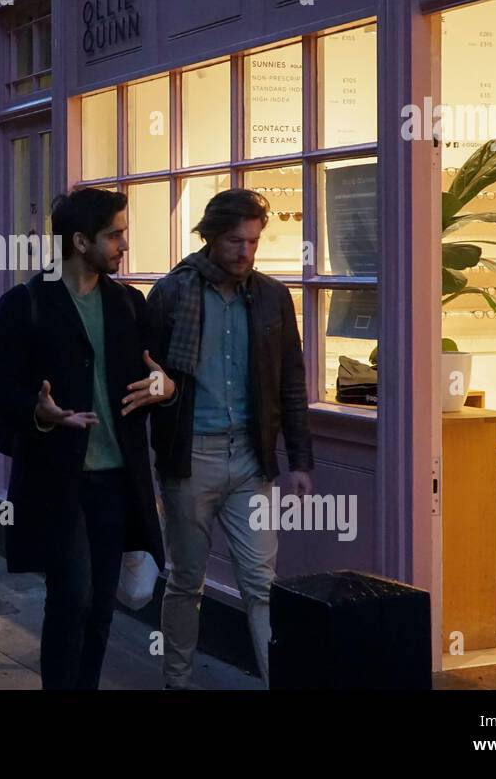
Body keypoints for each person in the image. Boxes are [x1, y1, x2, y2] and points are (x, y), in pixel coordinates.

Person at [0, 187, 174, 690]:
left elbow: (169, 376)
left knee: (101, 610)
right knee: (72, 598)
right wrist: (39, 412)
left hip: (117, 480)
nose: (124, 245)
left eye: (123, 234)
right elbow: (0, 388)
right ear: (80, 240)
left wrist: (166, 387)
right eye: (115, 235)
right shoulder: (25, 304)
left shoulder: (130, 305)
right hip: (59, 480)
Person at [145, 188, 315, 689]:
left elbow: (290, 380)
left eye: (254, 243)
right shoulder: (173, 292)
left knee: (262, 585)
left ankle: (277, 682)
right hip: (189, 457)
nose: (246, 253)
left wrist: (300, 459)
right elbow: (143, 372)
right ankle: (176, 680)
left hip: (249, 458)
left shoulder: (270, 297)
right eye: (236, 241)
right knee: (185, 581)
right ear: (213, 237)